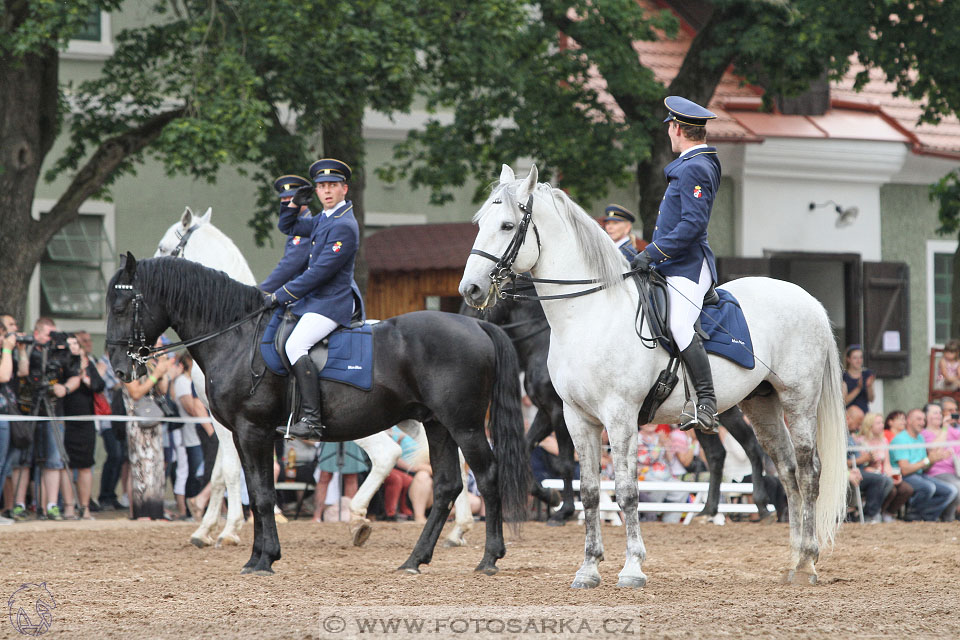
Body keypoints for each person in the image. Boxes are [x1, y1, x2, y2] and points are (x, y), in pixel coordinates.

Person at [630, 96, 722, 433]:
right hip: (671, 264)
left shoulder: (696, 166)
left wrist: (652, 252)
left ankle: (707, 403)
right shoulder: (688, 164)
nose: (669, 132)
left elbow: (691, 226)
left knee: (681, 326)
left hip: (687, 266)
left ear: (677, 128)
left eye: (670, 126)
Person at [265, 158, 361, 440]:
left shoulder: (344, 225)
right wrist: (292, 204)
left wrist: (280, 295)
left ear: (344, 189)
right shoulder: (325, 218)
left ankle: (312, 420)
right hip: (316, 300)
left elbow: (319, 273)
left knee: (296, 344)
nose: (326, 191)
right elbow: (289, 227)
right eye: (321, 187)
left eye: (332, 186)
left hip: (332, 302)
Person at [16, 318, 81, 520]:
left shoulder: (61, 353)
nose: (52, 338)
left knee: (54, 460)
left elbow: (75, 375)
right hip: (28, 409)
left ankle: (52, 504)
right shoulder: (28, 348)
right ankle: (19, 504)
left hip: (54, 410)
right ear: (37, 334)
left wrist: (66, 387)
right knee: (23, 460)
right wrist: (22, 350)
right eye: (48, 334)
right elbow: (23, 372)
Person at [61, 334, 104, 519]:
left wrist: (86, 378)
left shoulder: (88, 363)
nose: (74, 348)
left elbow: (99, 385)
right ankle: (69, 507)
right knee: (67, 465)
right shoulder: (62, 364)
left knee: (86, 465)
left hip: (86, 421)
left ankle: (84, 507)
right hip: (66, 420)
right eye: (70, 344)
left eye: (75, 344)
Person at [889, 408, 957, 521]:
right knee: (929, 488)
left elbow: (924, 466)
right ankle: (913, 514)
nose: (922, 423)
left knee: (950, 491)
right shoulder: (901, 439)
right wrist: (928, 460)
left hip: (919, 474)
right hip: (901, 476)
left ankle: (927, 517)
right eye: (919, 419)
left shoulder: (920, 438)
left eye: (923, 420)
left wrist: (934, 460)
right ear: (909, 420)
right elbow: (905, 469)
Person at [857, 411, 912, 522]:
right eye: (878, 423)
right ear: (869, 425)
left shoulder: (884, 441)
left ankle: (885, 512)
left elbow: (887, 465)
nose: (882, 425)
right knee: (891, 489)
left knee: (905, 488)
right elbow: (862, 464)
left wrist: (894, 476)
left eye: (882, 422)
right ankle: (873, 513)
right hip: (868, 473)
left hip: (882, 473)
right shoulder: (860, 441)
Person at [848, 410, 892, 523]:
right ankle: (870, 514)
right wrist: (866, 460)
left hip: (861, 470)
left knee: (889, 481)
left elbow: (886, 464)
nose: (859, 426)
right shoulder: (857, 440)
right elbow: (844, 462)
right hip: (854, 471)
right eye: (858, 423)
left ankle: (875, 512)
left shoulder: (851, 437)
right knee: (879, 480)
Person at [921, 401, 960, 521]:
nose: (938, 415)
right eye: (934, 413)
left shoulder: (950, 430)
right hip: (937, 472)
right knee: (957, 486)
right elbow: (933, 448)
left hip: (955, 471)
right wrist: (944, 428)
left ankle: (949, 516)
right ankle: (947, 517)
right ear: (926, 416)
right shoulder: (924, 434)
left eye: (939, 412)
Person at [0, 313, 22, 524]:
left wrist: (20, 351)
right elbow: (4, 376)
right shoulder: (4, 353)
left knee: (5, 466)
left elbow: (20, 373)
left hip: (7, 414)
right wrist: (7, 349)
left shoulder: (6, 354)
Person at [841, 344, 875, 413]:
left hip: (864, 414)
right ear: (848, 359)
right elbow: (844, 402)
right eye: (855, 358)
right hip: (849, 416)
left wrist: (869, 386)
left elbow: (871, 399)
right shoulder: (843, 376)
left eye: (860, 357)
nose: (858, 360)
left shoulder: (867, 374)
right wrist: (858, 388)